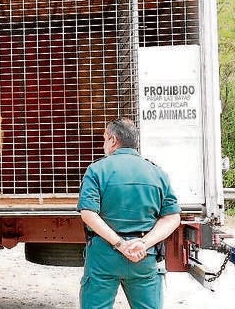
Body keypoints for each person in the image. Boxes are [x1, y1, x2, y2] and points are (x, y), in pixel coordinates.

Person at [77, 117, 181, 309]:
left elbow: (88, 213)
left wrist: (120, 244)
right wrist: (143, 243)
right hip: (143, 255)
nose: (104, 144)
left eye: (105, 139)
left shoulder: (96, 170)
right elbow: (172, 217)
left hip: (103, 256)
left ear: (113, 140)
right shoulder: (157, 173)